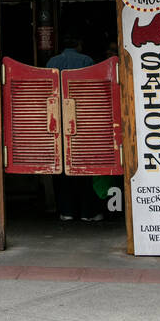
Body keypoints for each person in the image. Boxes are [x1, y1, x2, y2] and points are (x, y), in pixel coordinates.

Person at [47, 39, 103, 222]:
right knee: (84, 167)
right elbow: (92, 91)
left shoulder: (52, 62)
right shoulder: (86, 61)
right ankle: (88, 212)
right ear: (79, 43)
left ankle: (67, 211)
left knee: (62, 169)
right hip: (81, 121)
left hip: (56, 121)